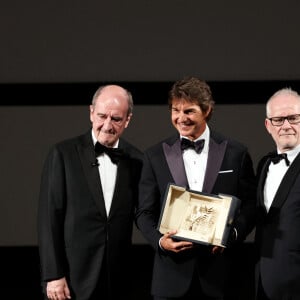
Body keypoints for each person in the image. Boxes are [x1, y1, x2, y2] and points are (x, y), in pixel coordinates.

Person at [135, 76, 256, 300]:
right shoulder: (154, 156)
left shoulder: (236, 153)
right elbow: (143, 212)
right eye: (175, 110)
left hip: (221, 277)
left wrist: (232, 235)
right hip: (170, 278)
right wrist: (161, 241)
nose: (181, 118)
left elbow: (250, 205)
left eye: (189, 111)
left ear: (207, 110)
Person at [37, 85, 143, 300]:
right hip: (71, 279)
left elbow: (144, 213)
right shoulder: (63, 154)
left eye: (116, 118)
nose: (107, 125)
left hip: (118, 278)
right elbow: (48, 219)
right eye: (102, 116)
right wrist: (53, 274)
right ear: (91, 113)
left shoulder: (137, 159)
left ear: (127, 120)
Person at [255, 88, 300, 300]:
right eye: (278, 119)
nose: (286, 126)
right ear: (268, 125)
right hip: (264, 281)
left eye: (293, 118)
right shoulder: (264, 165)